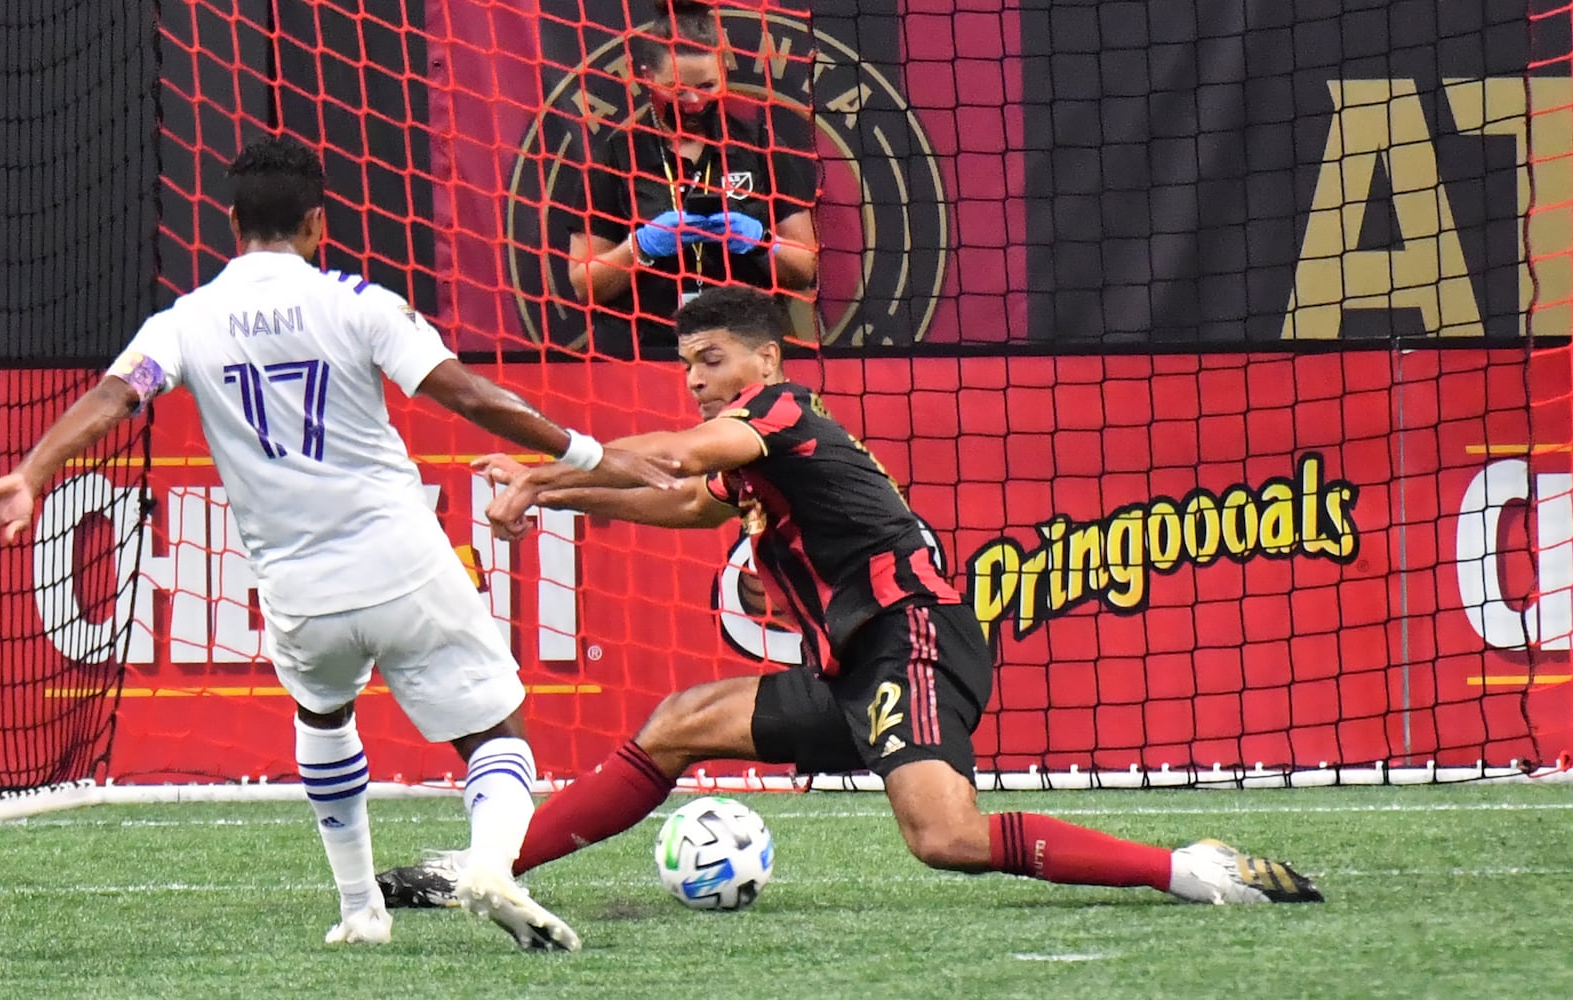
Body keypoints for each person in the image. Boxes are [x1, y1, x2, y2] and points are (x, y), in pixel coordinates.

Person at [0, 135, 683, 951]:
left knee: (323, 716)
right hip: (401, 561)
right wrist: (583, 453)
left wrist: (30, 473)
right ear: (317, 223)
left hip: (298, 587)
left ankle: (358, 910)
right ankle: (488, 861)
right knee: (495, 731)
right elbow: (468, 394)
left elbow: (117, 394)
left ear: (230, 221)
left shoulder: (185, 322)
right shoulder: (359, 303)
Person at [377, 285, 1324, 910]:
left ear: (765, 361)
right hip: (854, 659)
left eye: (709, 360)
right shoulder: (753, 448)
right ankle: (485, 869)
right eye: (686, 366)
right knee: (676, 722)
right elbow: (677, 502)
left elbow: (673, 458)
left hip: (908, 637)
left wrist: (542, 471)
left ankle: (1194, 872)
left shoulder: (779, 416)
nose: (696, 379)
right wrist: (552, 490)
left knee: (944, 839)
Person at [566, 0, 818, 358]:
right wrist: (641, 247)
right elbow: (584, 284)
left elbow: (805, 269)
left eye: (708, 85)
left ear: (724, 73)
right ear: (646, 77)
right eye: (678, 88)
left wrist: (759, 242)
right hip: (646, 350)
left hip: (745, 348)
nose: (694, 100)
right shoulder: (618, 155)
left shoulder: (759, 145)